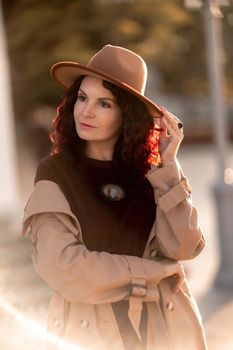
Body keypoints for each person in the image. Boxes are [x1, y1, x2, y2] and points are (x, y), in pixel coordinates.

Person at [22, 44, 207, 350]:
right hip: (89, 336)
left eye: (104, 104)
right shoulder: (55, 172)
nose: (86, 111)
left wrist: (169, 164)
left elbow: (183, 247)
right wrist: (153, 274)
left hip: (162, 331)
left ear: (127, 114)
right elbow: (63, 267)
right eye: (82, 98)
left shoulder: (152, 174)